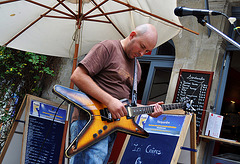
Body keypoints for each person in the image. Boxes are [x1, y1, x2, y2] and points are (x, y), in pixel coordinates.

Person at [70, 24, 164, 164]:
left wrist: (148, 110)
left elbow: (124, 104)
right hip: (89, 121)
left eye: (147, 51)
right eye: (142, 46)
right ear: (132, 35)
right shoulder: (108, 47)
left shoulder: (137, 68)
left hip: (111, 128)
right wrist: (109, 101)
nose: (142, 53)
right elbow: (77, 76)